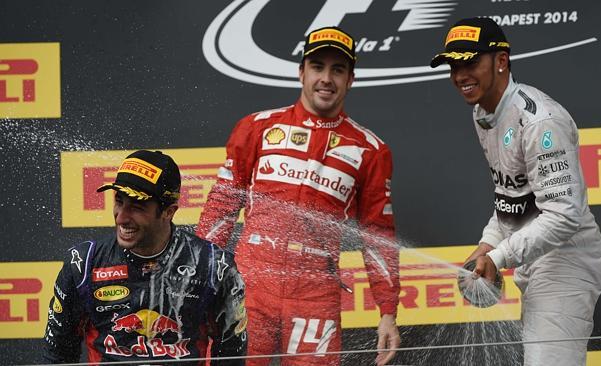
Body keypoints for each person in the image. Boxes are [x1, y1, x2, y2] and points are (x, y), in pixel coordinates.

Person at [196, 26, 400, 366]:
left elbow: (378, 237)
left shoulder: (370, 149)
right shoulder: (256, 127)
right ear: (301, 72)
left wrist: (388, 311)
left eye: (338, 70)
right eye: (318, 67)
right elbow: (221, 209)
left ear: (351, 79)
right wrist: (202, 281)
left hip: (315, 292)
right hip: (251, 284)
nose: (326, 79)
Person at [429, 17, 601, 365]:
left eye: (470, 62)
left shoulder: (540, 120)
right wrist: (488, 243)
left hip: (566, 260)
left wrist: (497, 258)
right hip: (534, 259)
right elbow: (511, 195)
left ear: (501, 61)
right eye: (453, 65)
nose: (459, 75)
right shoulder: (485, 112)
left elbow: (564, 214)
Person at [43, 150, 248, 365]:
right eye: (119, 201)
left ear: (169, 211)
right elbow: (57, 355)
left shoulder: (215, 267)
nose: (121, 217)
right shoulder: (83, 265)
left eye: (137, 207)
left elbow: (231, 356)